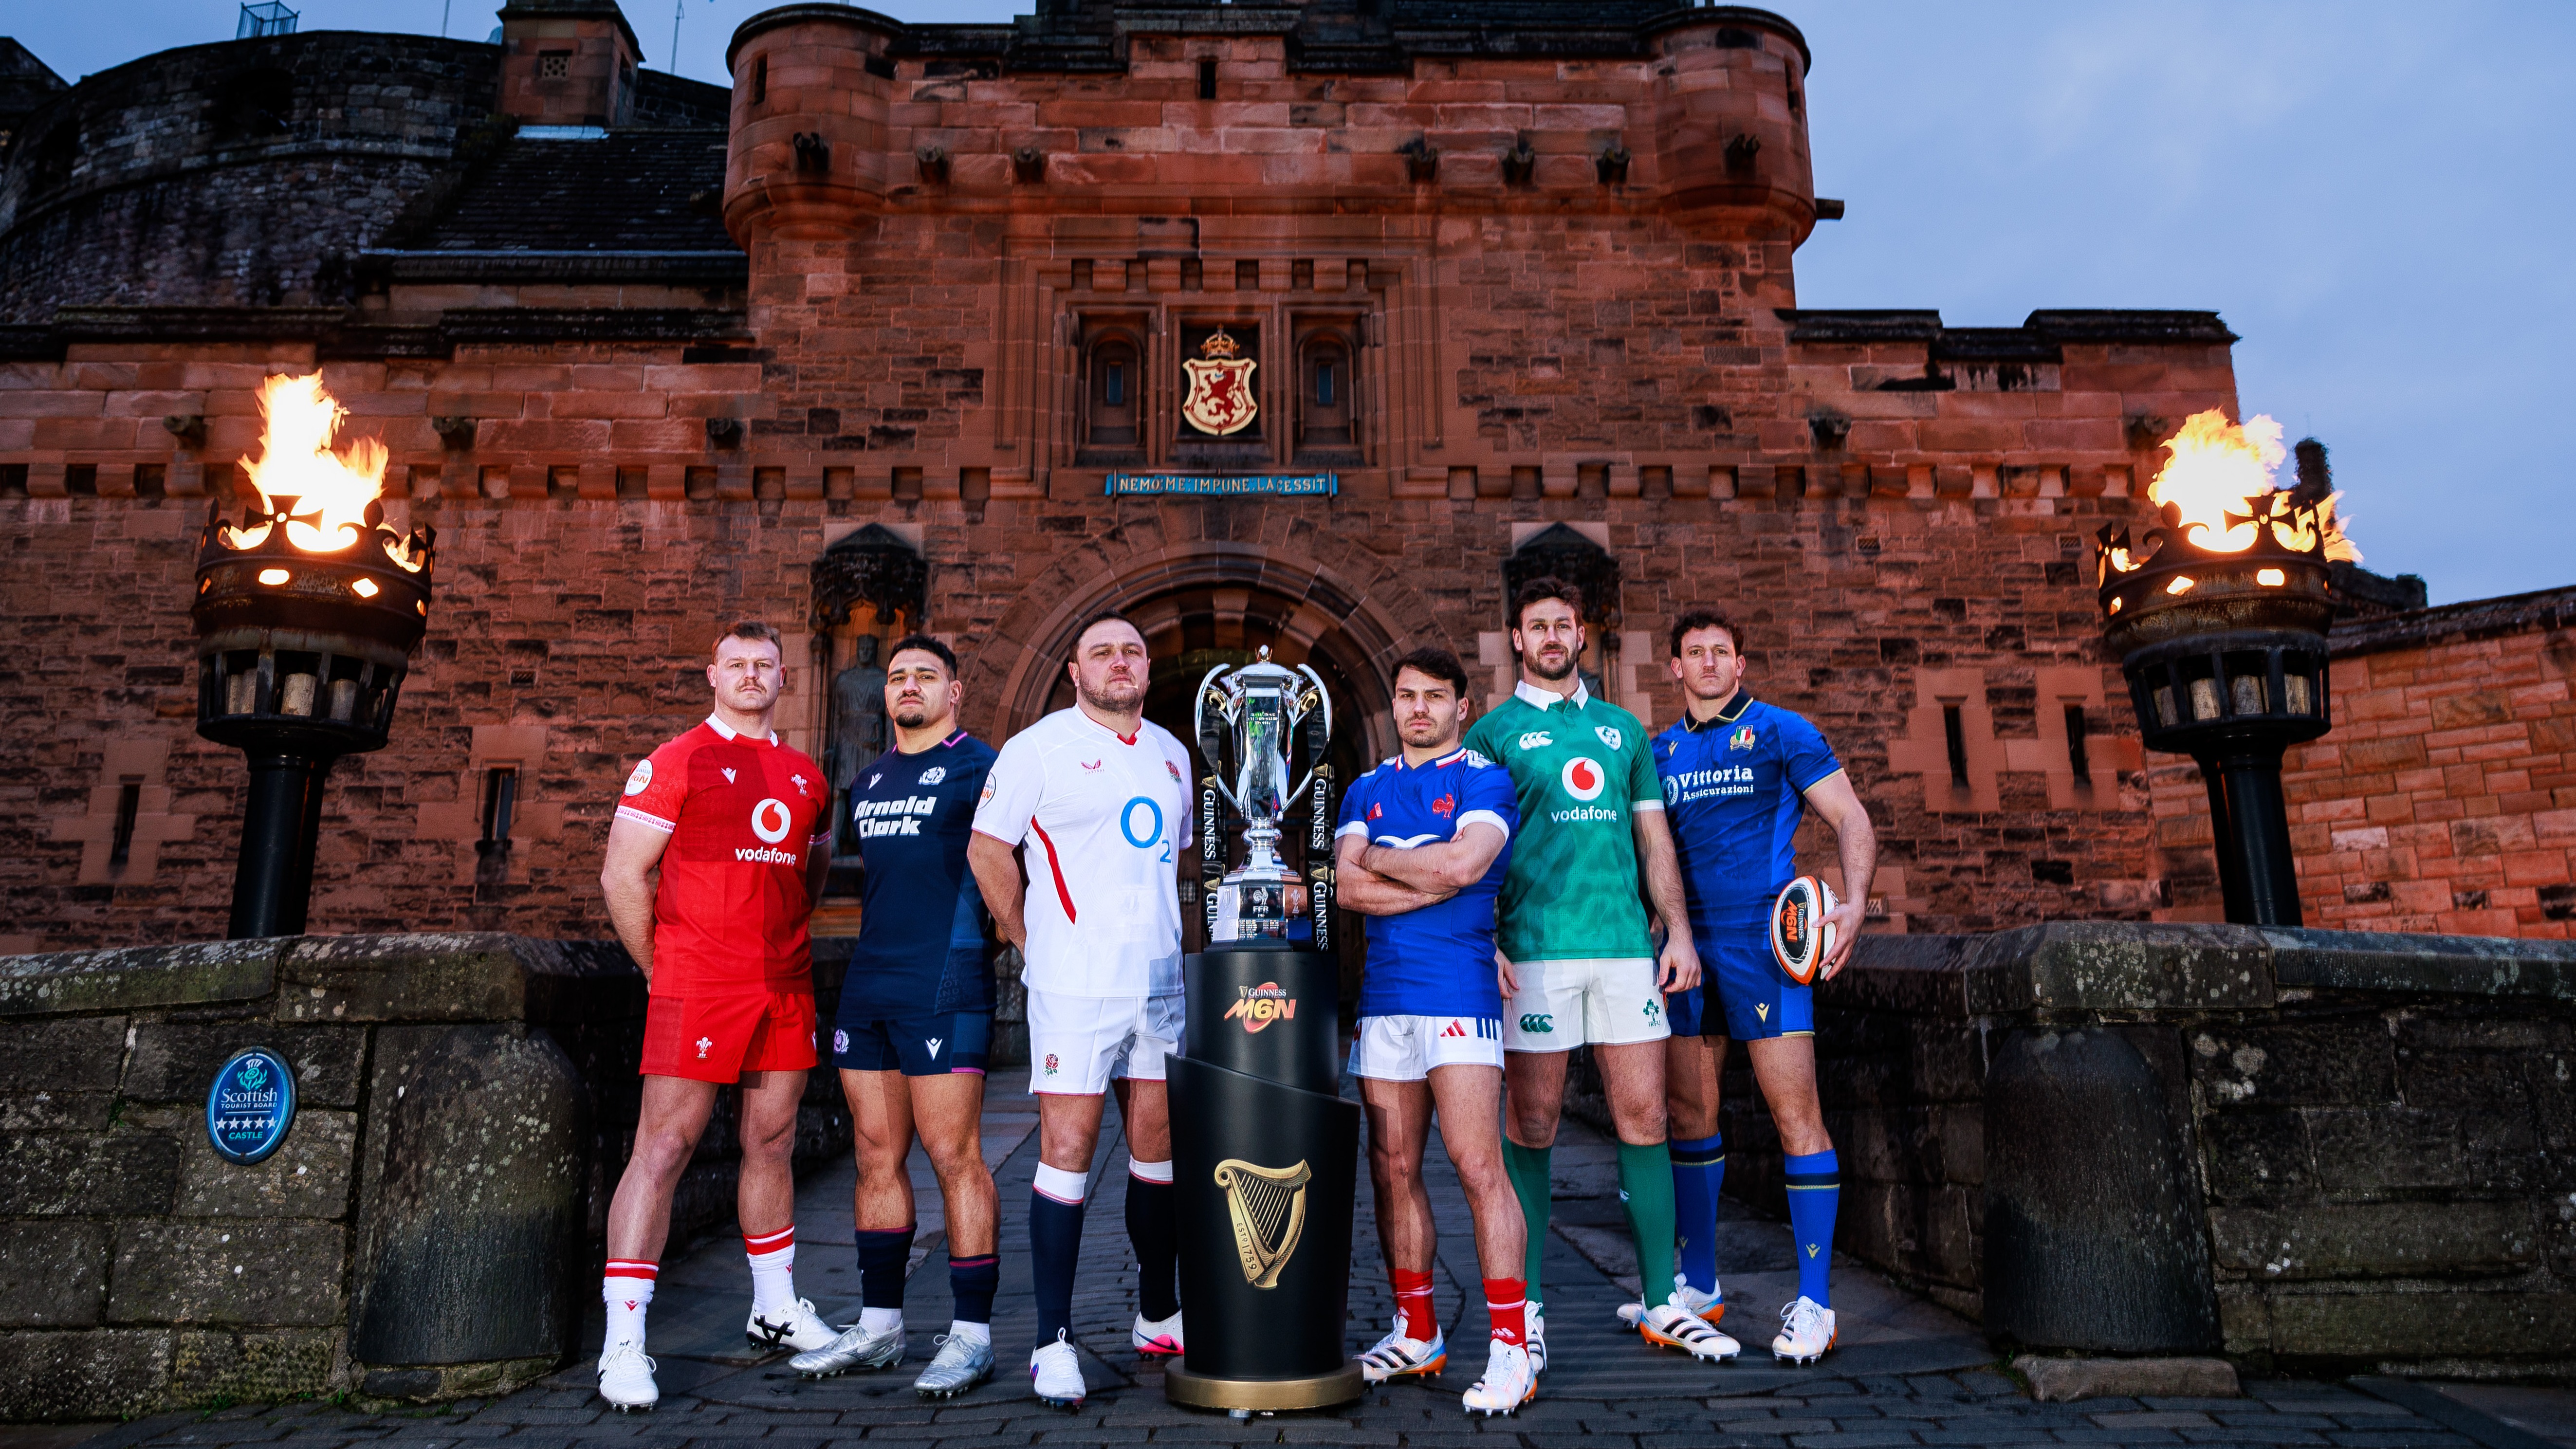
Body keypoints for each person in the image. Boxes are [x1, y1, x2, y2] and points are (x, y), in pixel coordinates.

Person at [1461, 578, 1733, 1367]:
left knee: (1645, 1117)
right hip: (1536, 948)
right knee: (1534, 1123)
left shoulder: (1623, 731)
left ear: (1582, 635)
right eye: (1537, 626)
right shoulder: (1491, 735)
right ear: (1517, 639)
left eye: (1564, 625)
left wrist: (1677, 930)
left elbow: (1654, 842)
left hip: (1623, 949)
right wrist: (1492, 942)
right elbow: (1479, 852)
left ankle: (1659, 1302)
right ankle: (1530, 1306)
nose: (1552, 637)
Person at [593, 621, 839, 1412]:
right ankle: (623, 1341)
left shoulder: (807, 776)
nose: (751, 675)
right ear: (713, 674)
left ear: (783, 679)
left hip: (784, 983)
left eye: (765, 665)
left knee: (771, 1140)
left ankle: (773, 1307)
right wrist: (664, 970)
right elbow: (623, 874)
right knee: (662, 1148)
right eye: (736, 664)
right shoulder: (676, 759)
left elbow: (816, 870)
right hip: (698, 981)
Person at [966, 612, 1194, 1410]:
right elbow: (988, 848)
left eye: (1132, 650)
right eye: (1102, 651)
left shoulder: (1173, 755)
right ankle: (1053, 1341)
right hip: (1075, 986)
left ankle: (1158, 1313)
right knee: (1066, 1150)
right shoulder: (1037, 749)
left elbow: (1172, 864)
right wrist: (1031, 938)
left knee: (1158, 1149)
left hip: (1160, 984)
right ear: (1075, 671)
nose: (1119, 662)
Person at [1656, 609, 1874, 1365]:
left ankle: (1815, 1303)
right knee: (1690, 1116)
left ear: (1739, 664)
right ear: (1675, 668)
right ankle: (1701, 1286)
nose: (1710, 662)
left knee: (1796, 1116)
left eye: (1723, 651)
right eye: (1695, 653)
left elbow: (1851, 816)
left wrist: (1854, 905)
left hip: (1767, 946)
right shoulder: (1659, 753)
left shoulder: (1783, 731)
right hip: (1687, 950)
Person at [790, 635, 1003, 1397]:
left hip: (945, 981)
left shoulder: (985, 767)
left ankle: (973, 1335)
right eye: (898, 676)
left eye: (926, 675)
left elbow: (1019, 863)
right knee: (875, 1155)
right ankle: (880, 1326)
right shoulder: (870, 781)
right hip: (871, 983)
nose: (909, 685)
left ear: (955, 690)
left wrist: (1011, 940)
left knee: (955, 1154)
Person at [1337, 647, 1537, 1415]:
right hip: (1384, 999)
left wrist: (1390, 861)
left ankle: (1512, 1349)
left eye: (1435, 697)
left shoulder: (1484, 778)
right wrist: (1430, 870)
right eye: (1407, 696)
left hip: (1458, 993)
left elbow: (1466, 866)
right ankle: (1417, 1330)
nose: (1418, 708)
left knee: (1477, 1165)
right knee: (1392, 1167)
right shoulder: (1366, 786)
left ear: (1463, 706)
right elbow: (1347, 888)